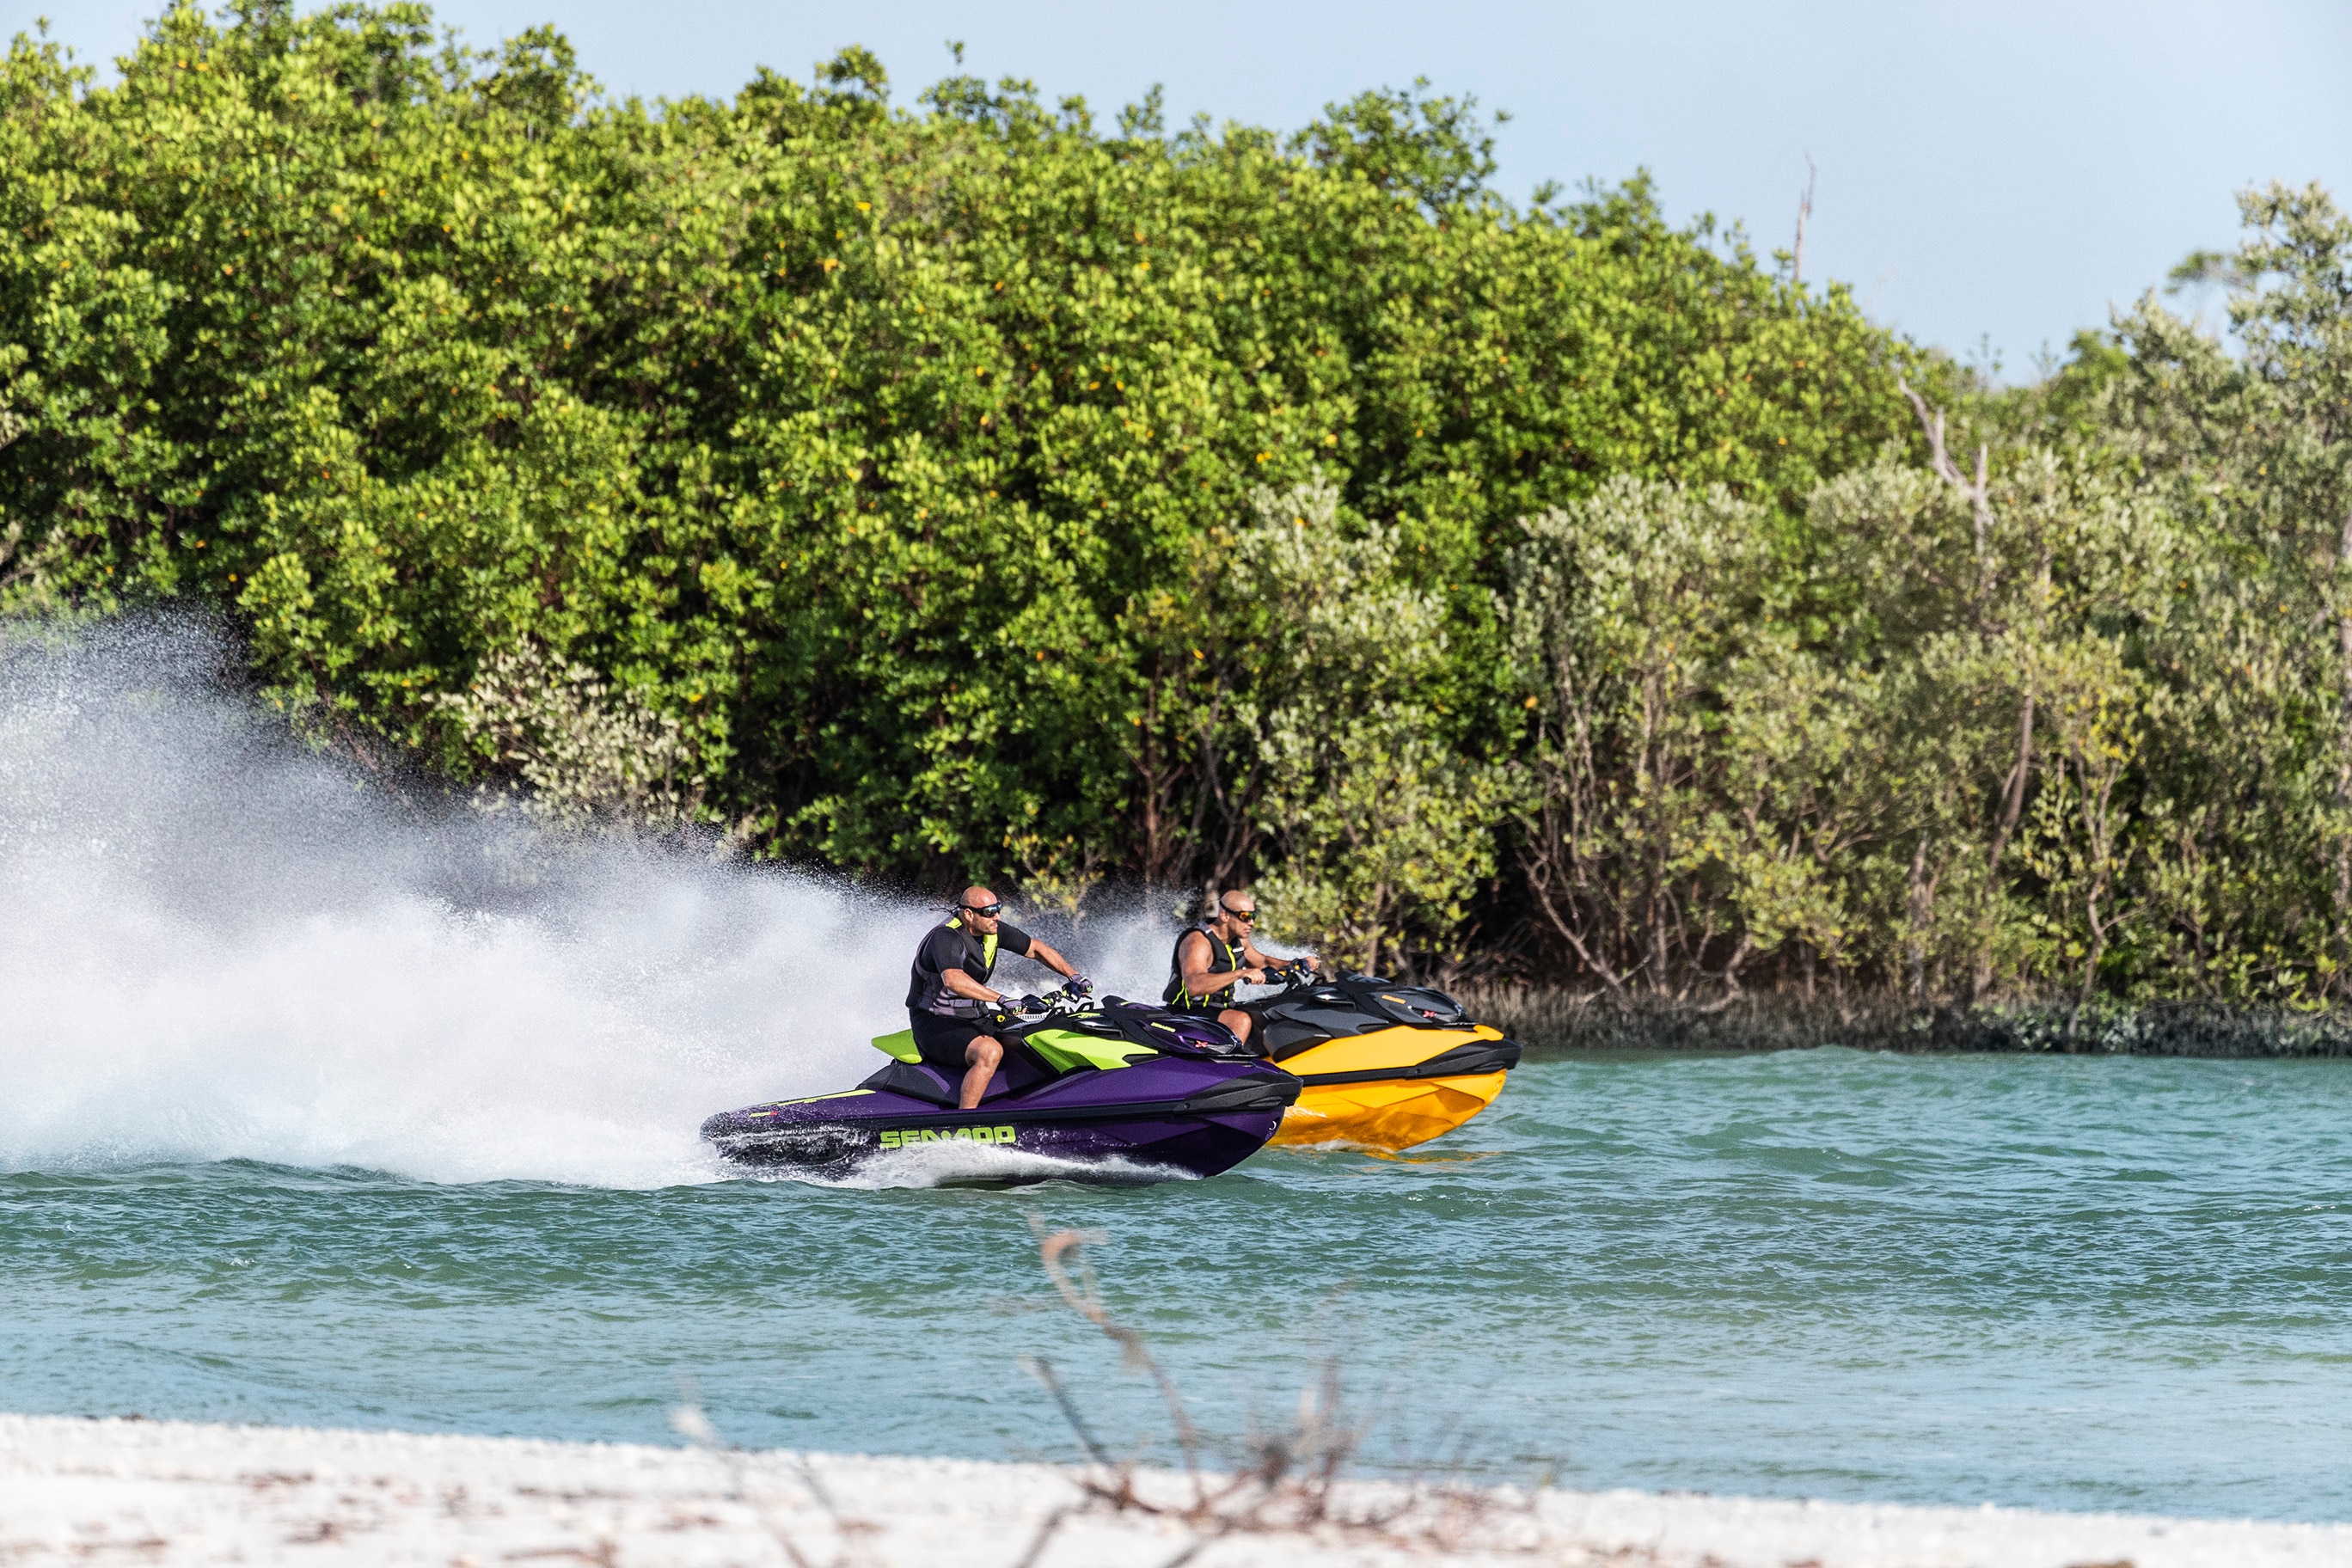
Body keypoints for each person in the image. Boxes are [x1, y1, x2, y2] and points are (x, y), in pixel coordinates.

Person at [905, 886, 1085, 1111]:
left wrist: (1074, 976)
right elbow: (954, 980)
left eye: (998, 909)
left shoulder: (992, 930)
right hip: (935, 1022)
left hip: (974, 1016)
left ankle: (1039, 1101)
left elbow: (1036, 949)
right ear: (969, 914)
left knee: (1032, 1032)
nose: (997, 916)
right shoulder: (945, 937)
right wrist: (1001, 999)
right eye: (990, 911)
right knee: (989, 1051)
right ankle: (964, 1122)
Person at [1161, 890, 1306, 1047]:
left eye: (1253, 916)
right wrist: (1240, 973)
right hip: (1187, 1012)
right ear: (1224, 916)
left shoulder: (1238, 940)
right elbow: (1195, 986)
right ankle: (1220, 1068)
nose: (1251, 923)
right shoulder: (1198, 941)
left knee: (1264, 1012)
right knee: (1240, 1020)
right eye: (1245, 917)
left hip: (1218, 1009)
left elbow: (1263, 962)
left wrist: (1295, 964)